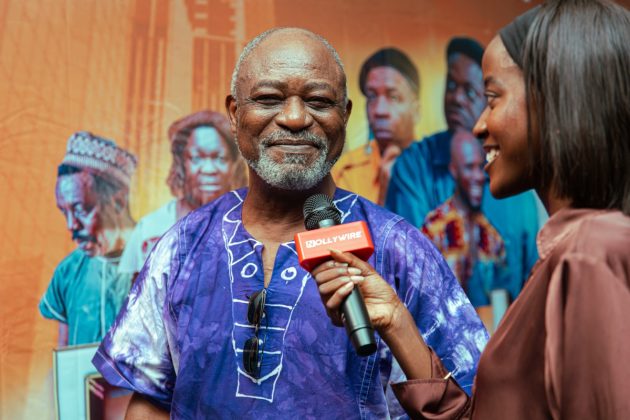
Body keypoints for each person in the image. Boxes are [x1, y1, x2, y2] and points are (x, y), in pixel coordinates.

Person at [93, 28, 488, 419]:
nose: (296, 118)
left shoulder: (399, 248)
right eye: (268, 99)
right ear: (234, 113)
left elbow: (474, 403)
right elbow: (151, 400)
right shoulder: (181, 247)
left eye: (318, 100)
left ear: (345, 115)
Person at [313, 1, 630, 418]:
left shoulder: (591, 253)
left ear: (554, 102)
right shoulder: (571, 251)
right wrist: (394, 319)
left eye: (493, 98)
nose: (479, 124)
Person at [385, 36, 540, 303]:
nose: (456, 98)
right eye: (451, 86)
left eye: (469, 92)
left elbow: (530, 278)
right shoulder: (414, 165)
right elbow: (407, 269)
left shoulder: (518, 181)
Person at [118, 110, 247, 278]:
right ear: (180, 165)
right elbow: (130, 298)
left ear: (233, 166)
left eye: (220, 158)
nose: (208, 170)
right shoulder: (150, 228)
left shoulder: (249, 228)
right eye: (196, 158)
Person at [39, 131, 137, 346]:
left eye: (81, 209)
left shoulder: (162, 262)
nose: (71, 225)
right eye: (64, 212)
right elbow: (63, 361)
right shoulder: (68, 272)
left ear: (118, 202)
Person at [421, 131, 507, 333]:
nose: (479, 176)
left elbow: (500, 300)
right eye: (469, 168)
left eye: (481, 167)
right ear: (453, 170)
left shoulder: (491, 236)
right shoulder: (434, 229)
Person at [332, 48, 419, 205]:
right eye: (372, 96)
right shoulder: (346, 171)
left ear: (416, 109)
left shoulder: (441, 165)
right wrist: (386, 192)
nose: (379, 111)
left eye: (393, 97)